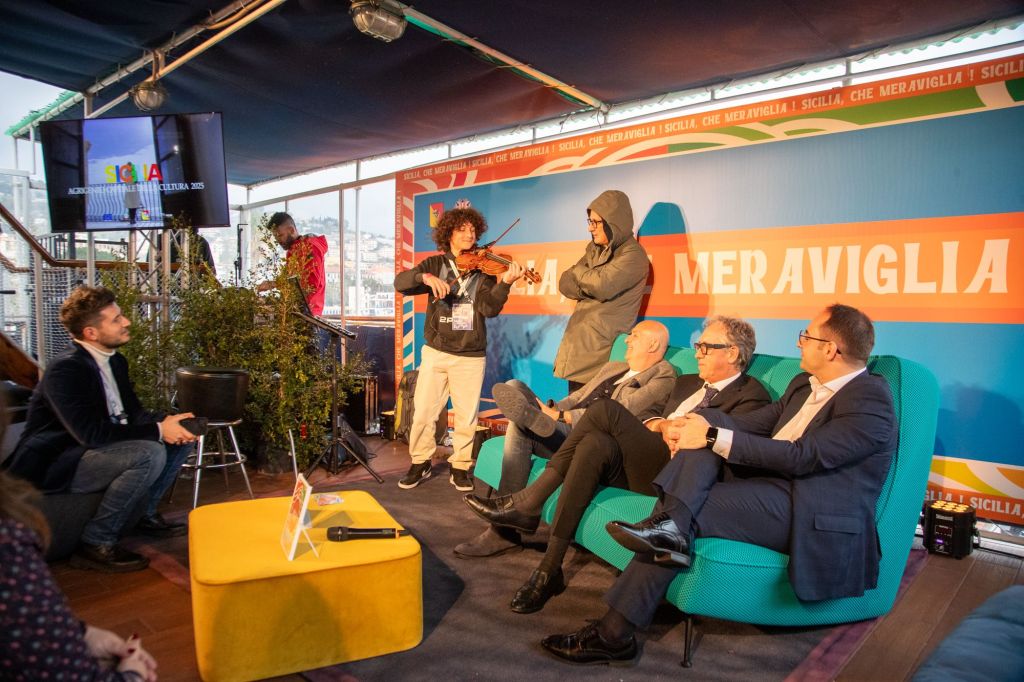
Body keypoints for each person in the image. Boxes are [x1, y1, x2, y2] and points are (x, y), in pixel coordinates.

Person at [540, 304, 898, 666]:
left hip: (808, 508)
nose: (799, 343)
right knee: (704, 434)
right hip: (765, 487)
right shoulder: (803, 385)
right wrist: (695, 426)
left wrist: (711, 436)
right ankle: (647, 574)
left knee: (684, 509)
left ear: (831, 349)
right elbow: (755, 423)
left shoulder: (870, 399)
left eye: (807, 336)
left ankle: (614, 633)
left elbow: (804, 456)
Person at [466, 315, 770, 613]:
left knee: (604, 409)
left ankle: (528, 501)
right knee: (594, 444)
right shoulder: (688, 382)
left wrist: (693, 437)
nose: (697, 353)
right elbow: (650, 418)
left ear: (732, 353)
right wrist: (662, 425)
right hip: (649, 457)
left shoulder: (752, 396)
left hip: (681, 473)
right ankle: (549, 569)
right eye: (697, 346)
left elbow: (735, 452)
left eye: (706, 347)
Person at [3, 286, 199, 572]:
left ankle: (143, 514)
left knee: (181, 437)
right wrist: (159, 430)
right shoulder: (65, 370)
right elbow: (90, 434)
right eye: (116, 319)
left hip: (95, 450)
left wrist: (171, 423)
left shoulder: (116, 361)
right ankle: (96, 542)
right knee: (149, 453)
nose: (126, 322)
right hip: (60, 460)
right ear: (91, 333)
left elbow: (134, 414)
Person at [454, 319, 677, 559]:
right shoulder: (614, 367)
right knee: (515, 386)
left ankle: (502, 532)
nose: (627, 340)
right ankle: (536, 421)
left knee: (521, 425)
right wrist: (554, 409)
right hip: (563, 426)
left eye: (635, 335)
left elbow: (624, 409)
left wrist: (561, 417)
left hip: (592, 439)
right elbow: (578, 396)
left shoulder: (663, 374)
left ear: (653, 344)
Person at [394, 203, 526, 492]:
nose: (469, 235)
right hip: (436, 351)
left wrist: (505, 283)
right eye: (462, 229)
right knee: (424, 411)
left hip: (470, 355)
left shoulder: (484, 269)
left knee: (466, 416)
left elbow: (489, 308)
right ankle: (420, 461)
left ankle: (461, 466)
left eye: (473, 230)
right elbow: (400, 283)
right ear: (449, 234)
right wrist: (424, 278)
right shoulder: (435, 264)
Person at [0, 470, 159, 680]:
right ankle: (97, 542)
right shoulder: (8, 546)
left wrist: (82, 634)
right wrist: (133, 675)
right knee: (147, 457)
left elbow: (22, 628)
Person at [553, 190, 649, 392]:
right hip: (580, 348)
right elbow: (565, 283)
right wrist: (588, 285)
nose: (590, 228)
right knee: (573, 408)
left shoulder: (633, 256)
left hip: (602, 354)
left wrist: (579, 271)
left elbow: (601, 286)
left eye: (596, 222)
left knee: (592, 410)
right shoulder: (595, 249)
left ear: (614, 222)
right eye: (590, 221)